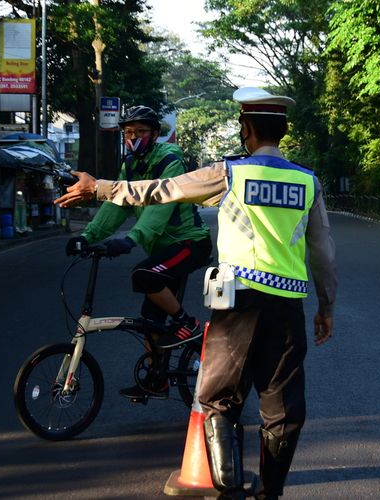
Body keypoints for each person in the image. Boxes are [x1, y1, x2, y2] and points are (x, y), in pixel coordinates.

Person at [55, 87, 337, 499]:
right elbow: (324, 254)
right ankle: (270, 493)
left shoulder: (230, 173)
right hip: (288, 309)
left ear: (247, 130)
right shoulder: (307, 181)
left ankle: (228, 488)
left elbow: (158, 191)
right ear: (283, 131)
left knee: (217, 399)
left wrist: (97, 186)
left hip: (238, 303)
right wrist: (326, 306)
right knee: (283, 410)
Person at [66, 105, 213, 401]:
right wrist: (88, 236)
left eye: (140, 131)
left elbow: (160, 206)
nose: (133, 137)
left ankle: (188, 324)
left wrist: (131, 239)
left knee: (144, 274)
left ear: (155, 134)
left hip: (189, 243)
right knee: (149, 321)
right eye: (128, 132)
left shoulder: (169, 159)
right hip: (164, 249)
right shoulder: (130, 165)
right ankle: (157, 379)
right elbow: (116, 204)